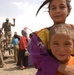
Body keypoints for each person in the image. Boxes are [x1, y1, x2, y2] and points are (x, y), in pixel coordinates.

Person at [30, 0, 74, 75]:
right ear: (49, 12)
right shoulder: (40, 36)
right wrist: (62, 68)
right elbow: (37, 59)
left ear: (68, 11)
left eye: (62, 7)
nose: (57, 11)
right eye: (53, 8)